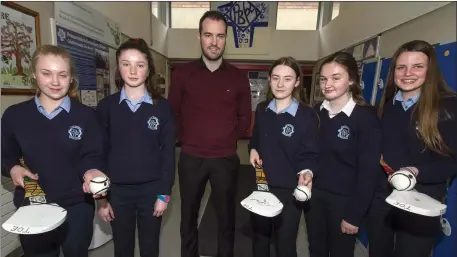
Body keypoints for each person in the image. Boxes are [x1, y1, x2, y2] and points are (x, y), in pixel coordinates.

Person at [1, 45, 107, 257]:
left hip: (77, 205)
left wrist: (92, 173)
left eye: (62, 74)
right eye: (46, 73)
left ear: (71, 78)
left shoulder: (86, 116)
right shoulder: (15, 116)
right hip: (33, 203)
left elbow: (92, 156)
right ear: (34, 74)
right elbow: (5, 154)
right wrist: (13, 168)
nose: (55, 82)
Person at [168, 10, 252, 257]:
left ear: (226, 39)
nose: (214, 42)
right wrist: (188, 139)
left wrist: (225, 138)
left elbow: (245, 118)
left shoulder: (237, 77)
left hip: (225, 159)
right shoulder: (183, 74)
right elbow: (172, 113)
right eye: (208, 35)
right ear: (199, 37)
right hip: (191, 158)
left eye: (220, 36)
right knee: (188, 218)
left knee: (226, 220)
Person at [375, 39, 457, 257]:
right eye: (401, 67)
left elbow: (450, 162)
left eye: (417, 66)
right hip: (385, 199)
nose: (407, 73)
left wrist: (415, 171)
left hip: (422, 201)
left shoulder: (448, 106)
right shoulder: (388, 105)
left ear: (430, 71)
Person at [95, 38, 176, 257]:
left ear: (148, 68)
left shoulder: (162, 107)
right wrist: (101, 199)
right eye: (126, 63)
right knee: (122, 249)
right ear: (118, 66)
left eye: (140, 65)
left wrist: (164, 195)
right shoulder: (106, 107)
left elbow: (168, 154)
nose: (132, 71)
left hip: (152, 192)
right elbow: (98, 156)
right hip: (117, 192)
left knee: (150, 248)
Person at [305, 51, 382, 257]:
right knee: (316, 249)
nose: (327, 84)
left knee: (341, 252)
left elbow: (368, 172)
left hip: (345, 202)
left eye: (336, 78)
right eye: (323, 79)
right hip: (315, 197)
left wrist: (354, 215)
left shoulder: (365, 118)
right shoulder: (316, 111)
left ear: (351, 80)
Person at [248, 57, 319, 257]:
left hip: (289, 191)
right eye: (276, 78)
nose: (280, 84)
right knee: (260, 240)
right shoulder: (262, 109)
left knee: (285, 243)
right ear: (269, 80)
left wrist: (306, 173)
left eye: (287, 79)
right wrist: (253, 149)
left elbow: (310, 153)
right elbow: (256, 139)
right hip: (262, 184)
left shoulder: (307, 115)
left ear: (297, 82)